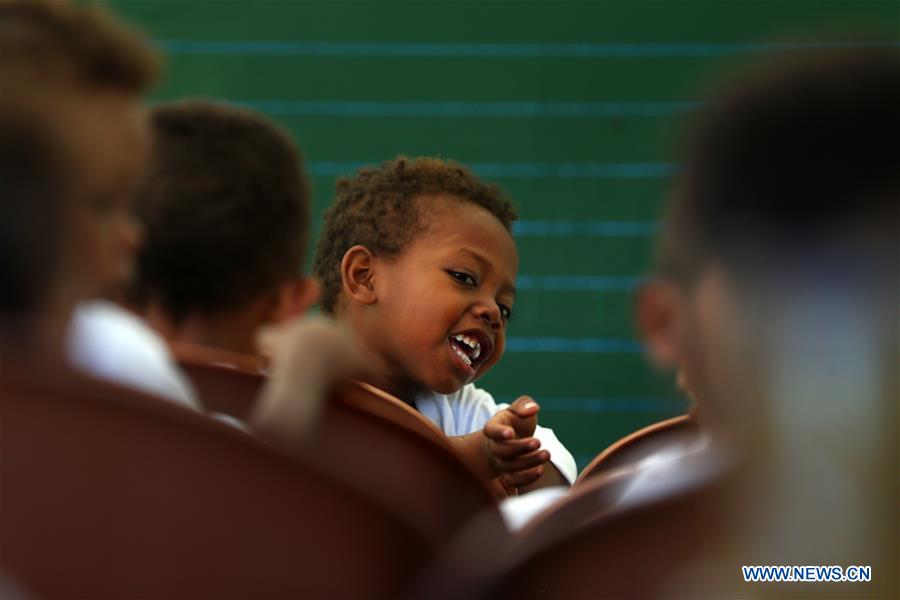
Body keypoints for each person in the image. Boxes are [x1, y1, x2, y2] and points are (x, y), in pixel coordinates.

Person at [312, 156, 577, 492]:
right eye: (463, 277)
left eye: (505, 308)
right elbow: (362, 470)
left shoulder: (459, 409)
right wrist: (476, 460)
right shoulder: (289, 382)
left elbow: (553, 466)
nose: (493, 312)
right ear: (364, 276)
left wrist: (516, 459)